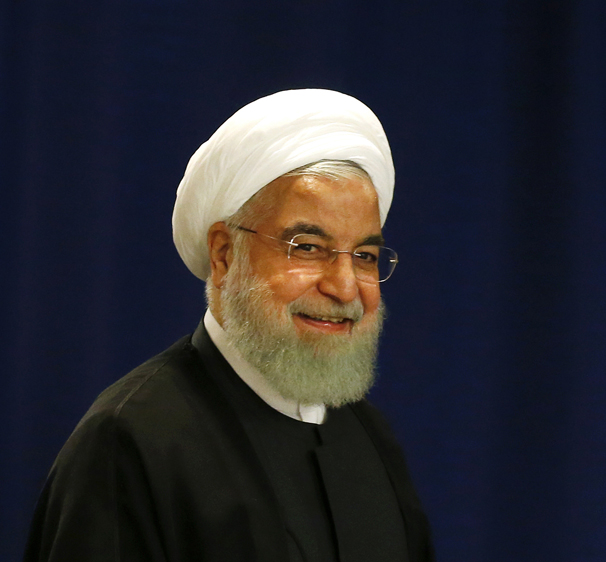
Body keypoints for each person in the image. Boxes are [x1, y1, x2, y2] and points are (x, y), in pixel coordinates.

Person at [23, 89, 433, 562]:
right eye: (307, 247)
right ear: (223, 254)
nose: (344, 287)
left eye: (364, 255)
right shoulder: (131, 441)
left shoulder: (367, 434)